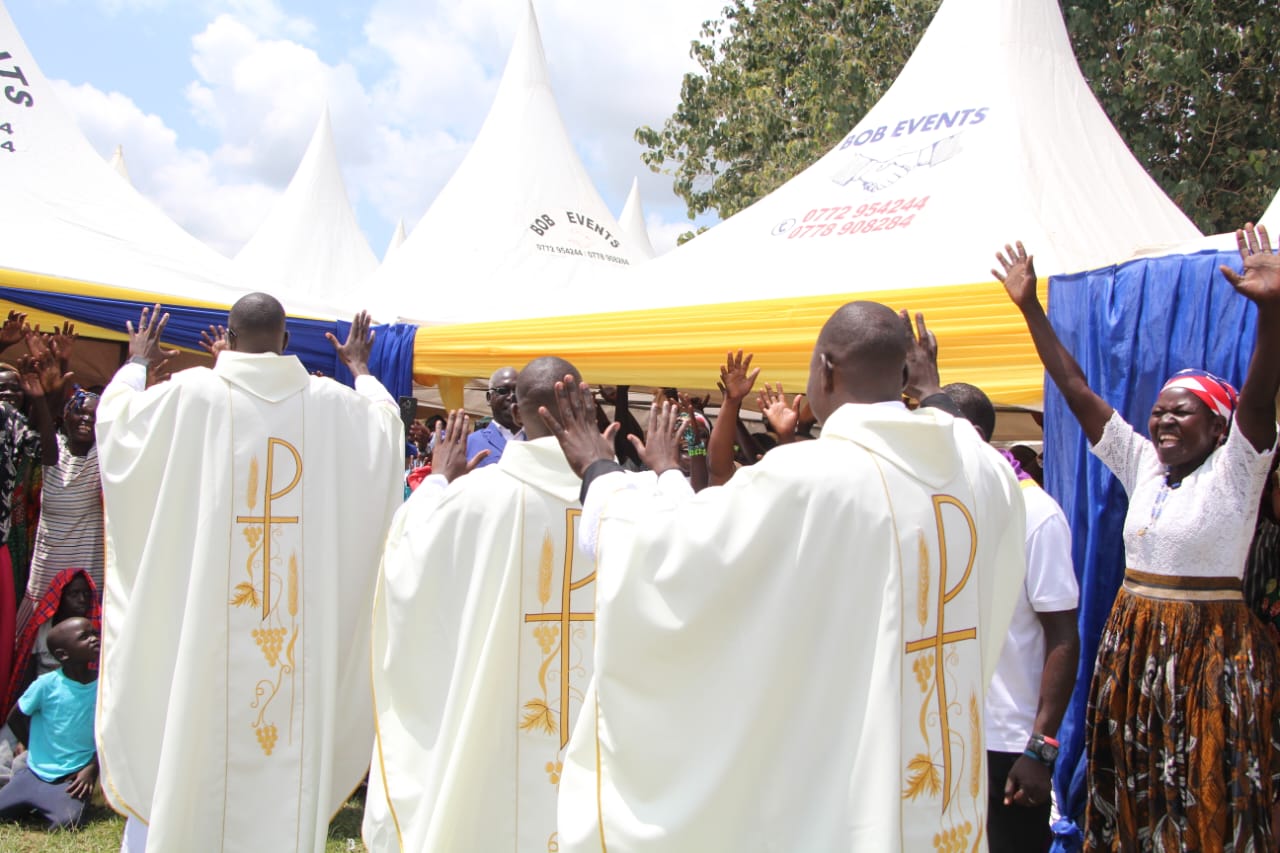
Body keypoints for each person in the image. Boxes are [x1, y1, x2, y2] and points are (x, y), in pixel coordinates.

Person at [538, 300, 1028, 851]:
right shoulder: (983, 467)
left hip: (847, 799)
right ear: (906, 374)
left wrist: (599, 470)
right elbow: (951, 425)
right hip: (948, 788)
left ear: (825, 370)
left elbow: (669, 556)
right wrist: (931, 386)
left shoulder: (810, 477)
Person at [994, 226, 1280, 851]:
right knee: (1135, 786)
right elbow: (1075, 388)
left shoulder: (1238, 469)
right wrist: (1030, 308)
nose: (1164, 419)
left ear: (1219, 426)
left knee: (1205, 791)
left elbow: (1260, 401)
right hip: (1137, 650)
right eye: (1159, 410)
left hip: (1209, 657)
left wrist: (1271, 314)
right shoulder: (1145, 462)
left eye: (1183, 411)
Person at [95, 297, 404, 852]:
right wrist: (360, 369)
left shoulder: (187, 396)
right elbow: (386, 428)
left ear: (230, 339)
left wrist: (136, 361)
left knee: (189, 737)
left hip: (203, 641)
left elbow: (116, 425)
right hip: (294, 648)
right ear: (287, 342)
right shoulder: (334, 406)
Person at [364, 359, 660, 852]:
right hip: (611, 734)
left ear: (519, 416)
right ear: (585, 406)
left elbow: (405, 559)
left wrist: (437, 481)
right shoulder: (636, 505)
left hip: (496, 727)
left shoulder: (470, 500)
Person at [941, 382, 1079, 853]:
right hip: (944, 736)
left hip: (1008, 746)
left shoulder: (1036, 514)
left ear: (972, 436)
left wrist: (1039, 750)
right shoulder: (946, 510)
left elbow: (1064, 637)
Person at [0, 616, 99, 831]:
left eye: (95, 634)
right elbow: (15, 717)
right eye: (85, 637)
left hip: (72, 779)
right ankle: (27, 798)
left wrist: (92, 766)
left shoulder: (103, 686)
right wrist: (33, 747)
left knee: (66, 823)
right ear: (63, 654)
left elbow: (111, 733)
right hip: (34, 772)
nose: (94, 639)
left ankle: (47, 802)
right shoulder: (46, 685)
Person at [2, 568, 97, 716]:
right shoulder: (41, 629)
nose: (82, 600)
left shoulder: (96, 630)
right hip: (45, 697)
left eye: (86, 594)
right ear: (59, 597)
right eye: (74, 594)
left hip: (83, 699)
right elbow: (27, 672)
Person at [467, 366, 521, 468]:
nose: (512, 396)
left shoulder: (538, 440)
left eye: (517, 391)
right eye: (503, 391)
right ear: (489, 398)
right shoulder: (470, 443)